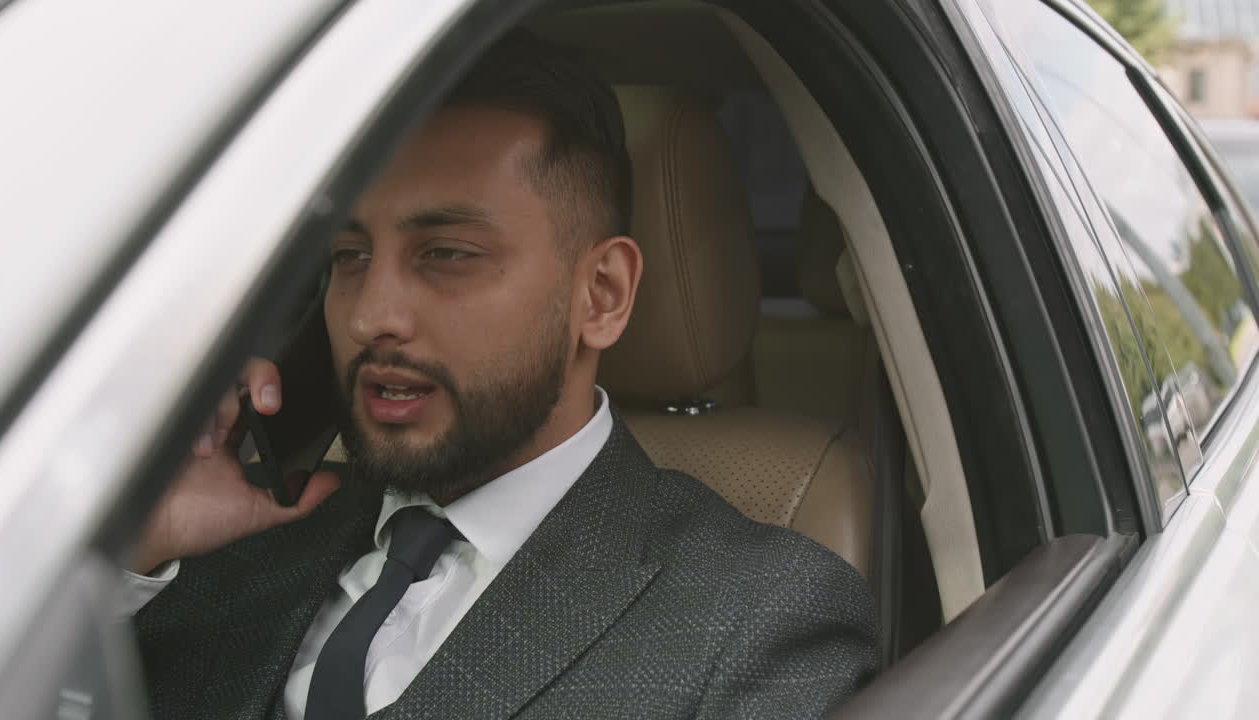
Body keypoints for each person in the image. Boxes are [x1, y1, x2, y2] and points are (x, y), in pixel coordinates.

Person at [125, 29, 878, 720]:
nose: (368, 317)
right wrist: (132, 552)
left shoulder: (758, 620)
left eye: (447, 254)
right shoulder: (215, 553)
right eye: (349, 258)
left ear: (602, 295)